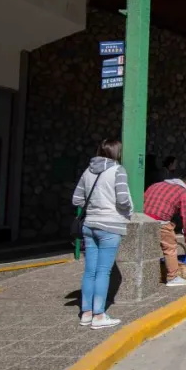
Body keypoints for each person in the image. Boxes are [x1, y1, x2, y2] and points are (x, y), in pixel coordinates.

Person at [71, 139, 132, 330]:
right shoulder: (117, 171)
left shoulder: (87, 171)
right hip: (110, 225)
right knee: (104, 272)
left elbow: (77, 199)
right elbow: (122, 199)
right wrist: (128, 209)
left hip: (89, 225)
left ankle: (86, 313)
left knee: (90, 271)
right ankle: (99, 315)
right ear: (117, 153)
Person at [144, 174, 186, 286]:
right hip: (161, 221)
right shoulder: (182, 192)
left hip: (143, 219)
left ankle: (147, 276)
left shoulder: (156, 185)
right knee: (170, 248)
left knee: (146, 248)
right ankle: (172, 277)